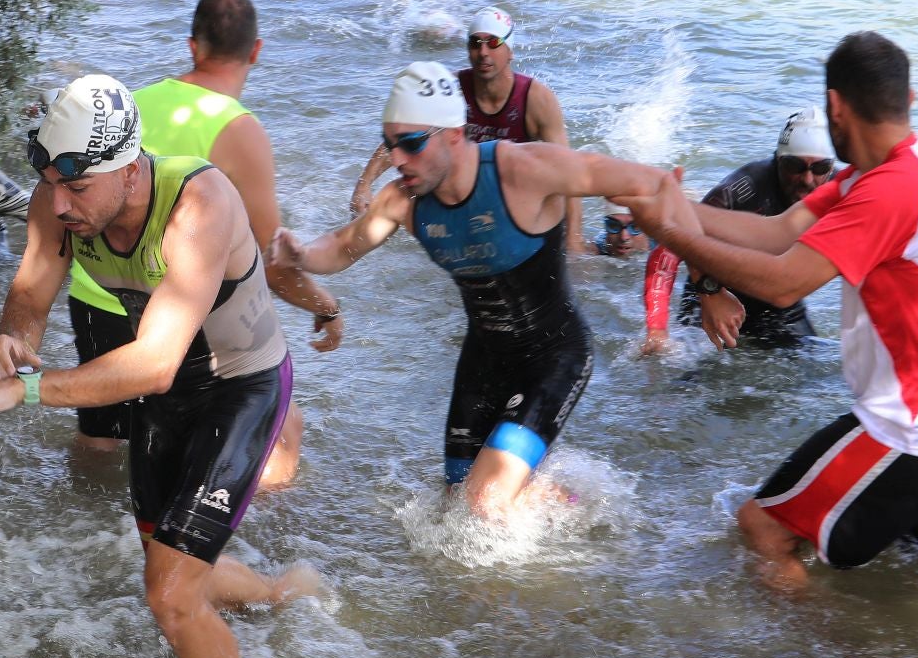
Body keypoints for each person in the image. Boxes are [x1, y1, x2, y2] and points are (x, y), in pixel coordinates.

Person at [0, 79, 320, 658]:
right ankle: (280, 594)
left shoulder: (199, 203)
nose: (58, 205)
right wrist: (12, 343)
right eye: (53, 186)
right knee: (167, 565)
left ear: (131, 173)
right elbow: (30, 295)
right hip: (165, 396)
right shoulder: (57, 202)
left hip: (239, 385)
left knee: (168, 596)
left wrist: (24, 392)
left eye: (77, 188)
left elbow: (157, 361)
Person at [616, 33, 918, 590]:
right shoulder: (886, 171)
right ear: (909, 99)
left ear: (835, 106)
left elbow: (784, 284)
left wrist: (666, 232)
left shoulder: (890, 190)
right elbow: (775, 232)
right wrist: (674, 208)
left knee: (764, 530)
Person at [273, 63, 666, 518]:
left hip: (554, 354)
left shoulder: (520, 169)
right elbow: (342, 247)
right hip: (485, 358)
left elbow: (650, 183)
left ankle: (583, 521)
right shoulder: (404, 200)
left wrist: (704, 263)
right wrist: (299, 252)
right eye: (391, 144)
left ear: (454, 133)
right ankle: (558, 499)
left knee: (484, 502)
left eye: (413, 143)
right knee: (455, 501)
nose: (398, 159)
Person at [65, 0, 343, 475]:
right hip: (171, 310)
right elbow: (269, 261)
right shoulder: (239, 130)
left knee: (102, 437)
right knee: (280, 429)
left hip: (95, 292)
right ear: (256, 51)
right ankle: (235, 543)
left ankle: (82, 528)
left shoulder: (135, 101)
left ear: (192, 46)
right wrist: (325, 305)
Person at [348, 7, 588, 253]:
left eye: (493, 43)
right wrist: (364, 185)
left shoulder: (536, 99)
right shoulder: (450, 90)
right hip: (466, 199)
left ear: (510, 51)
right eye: (475, 43)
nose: (483, 52)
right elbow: (405, 139)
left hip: (517, 200)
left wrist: (574, 240)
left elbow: (568, 172)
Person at [642, 108, 839, 353]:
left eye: (820, 168)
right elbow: (669, 247)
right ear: (778, 158)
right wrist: (657, 330)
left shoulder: (839, 190)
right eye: (794, 165)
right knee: (690, 383)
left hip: (776, 303)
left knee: (813, 373)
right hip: (713, 293)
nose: (807, 179)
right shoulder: (740, 191)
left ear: (831, 167)